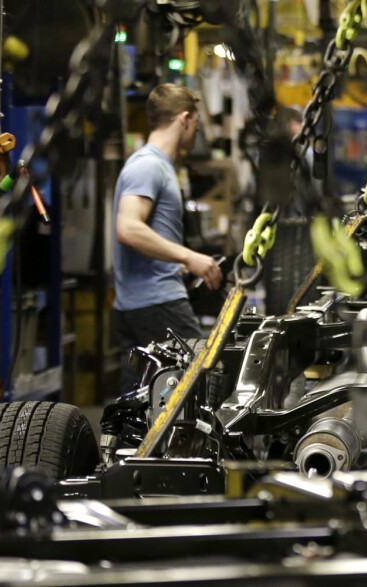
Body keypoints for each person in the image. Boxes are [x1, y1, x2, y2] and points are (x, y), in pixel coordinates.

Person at [111, 83, 222, 392]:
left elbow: (148, 234)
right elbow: (128, 228)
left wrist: (175, 261)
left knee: (142, 400)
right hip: (158, 303)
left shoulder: (156, 165)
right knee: (203, 383)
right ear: (184, 119)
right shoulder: (149, 166)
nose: (197, 132)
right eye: (197, 124)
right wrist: (189, 256)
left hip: (139, 303)